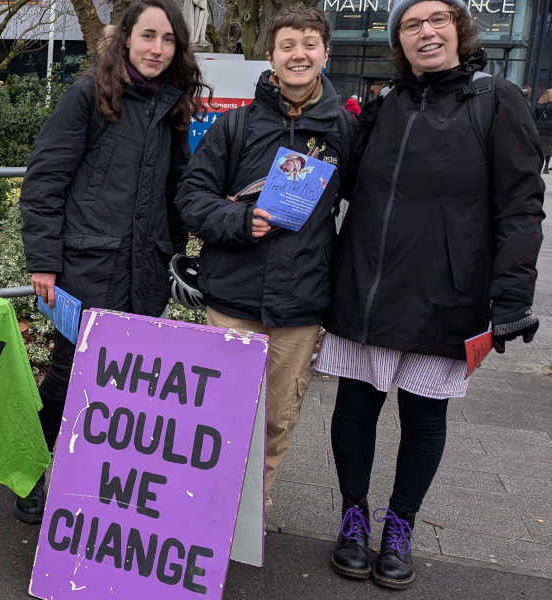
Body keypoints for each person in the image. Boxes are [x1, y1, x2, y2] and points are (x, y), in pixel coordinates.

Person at [319, 0, 545, 589]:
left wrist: (513, 293)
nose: (426, 32)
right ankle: (352, 516)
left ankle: (400, 525)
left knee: (424, 415)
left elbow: (521, 204)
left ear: (458, 28)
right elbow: (336, 181)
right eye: (411, 24)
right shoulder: (384, 104)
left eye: (437, 20)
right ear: (399, 39)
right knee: (355, 407)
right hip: (368, 281)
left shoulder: (497, 100)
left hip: (448, 286)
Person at [16, 0, 210, 524]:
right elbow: (45, 181)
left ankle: (104, 481)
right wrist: (44, 262)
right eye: (149, 36)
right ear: (125, 38)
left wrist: (175, 253)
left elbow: (176, 191)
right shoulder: (89, 96)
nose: (157, 49)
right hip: (86, 265)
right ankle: (32, 473)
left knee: (129, 384)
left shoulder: (173, 105)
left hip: (145, 267)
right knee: (66, 374)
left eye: (168, 40)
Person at [176, 3, 360, 512]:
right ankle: (203, 506)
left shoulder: (343, 132)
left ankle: (251, 508)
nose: (298, 54)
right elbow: (192, 196)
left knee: (278, 416)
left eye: (308, 45)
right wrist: (239, 222)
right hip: (233, 297)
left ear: (325, 52)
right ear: (271, 55)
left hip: (299, 307)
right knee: (218, 415)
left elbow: (367, 208)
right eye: (287, 46)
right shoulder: (234, 127)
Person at [534, 88, 552, 172]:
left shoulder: (540, 104)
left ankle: (539, 167)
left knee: (540, 148)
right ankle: (546, 167)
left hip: (540, 128)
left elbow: (535, 116)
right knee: (549, 148)